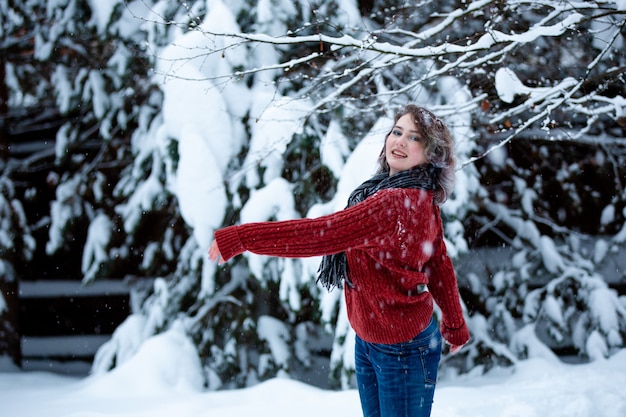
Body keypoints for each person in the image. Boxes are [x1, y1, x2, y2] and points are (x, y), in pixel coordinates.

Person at [209, 104, 470, 417]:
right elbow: (437, 261)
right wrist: (454, 323)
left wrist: (242, 238)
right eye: (397, 131)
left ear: (430, 155)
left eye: (414, 138)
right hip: (377, 339)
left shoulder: (393, 203)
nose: (399, 141)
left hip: (400, 349)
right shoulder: (409, 193)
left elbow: (320, 234)